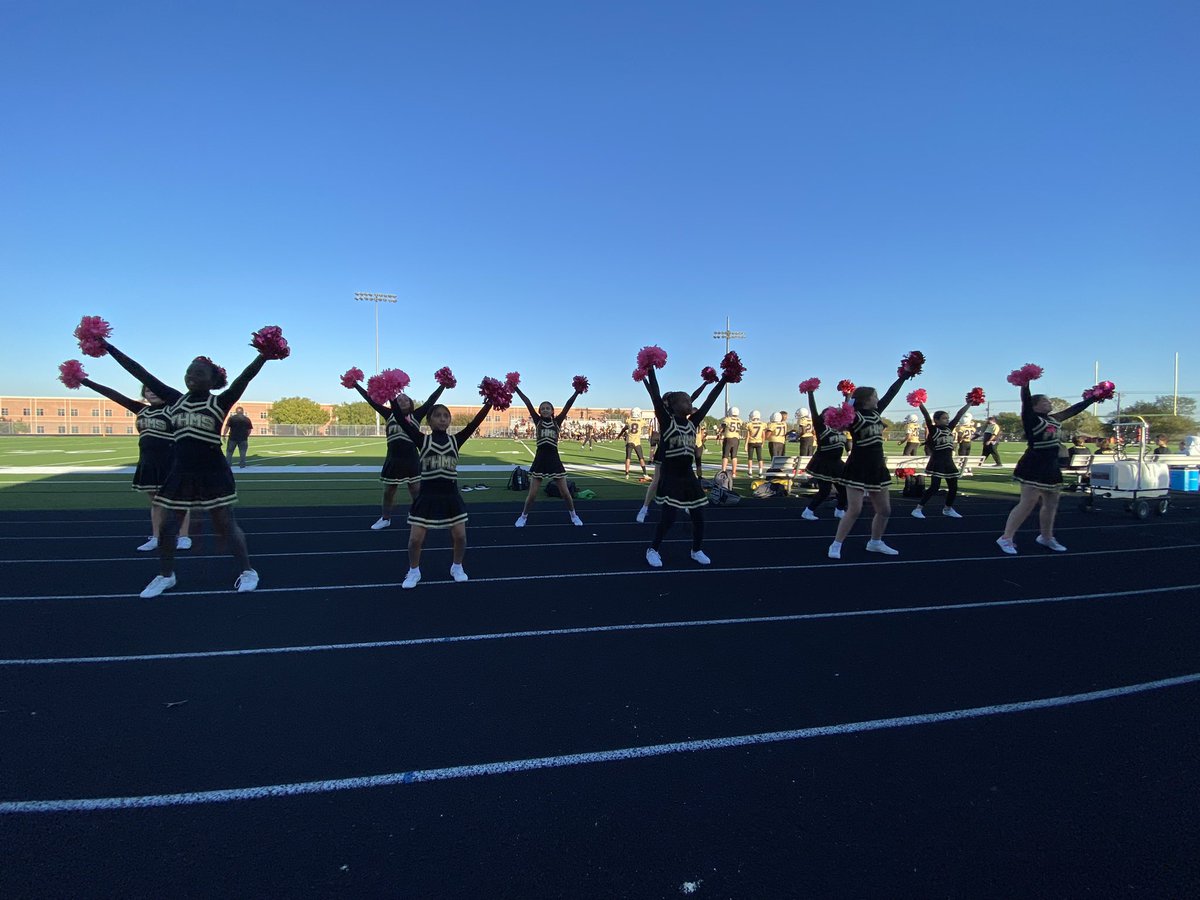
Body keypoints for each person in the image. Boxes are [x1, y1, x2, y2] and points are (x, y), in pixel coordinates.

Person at [100, 341, 281, 598]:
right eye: (188, 372)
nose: (191, 377)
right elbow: (139, 371)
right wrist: (107, 347)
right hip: (181, 471)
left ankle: (248, 571)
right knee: (167, 527)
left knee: (225, 523)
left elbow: (245, 377)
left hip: (212, 471)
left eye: (199, 374)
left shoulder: (220, 402)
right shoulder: (175, 399)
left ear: (212, 380)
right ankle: (166, 575)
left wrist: (263, 355)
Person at [74, 372, 192, 551]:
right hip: (148, 461)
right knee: (156, 501)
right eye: (147, 390)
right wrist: (85, 381)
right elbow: (114, 396)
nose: (151, 392)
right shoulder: (141, 410)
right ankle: (156, 537)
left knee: (178, 500)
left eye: (155, 389)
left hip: (171, 460)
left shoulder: (174, 408)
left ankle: (183, 536)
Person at [997, 379, 1106, 555]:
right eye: (1045, 401)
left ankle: (1046, 537)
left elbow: (1073, 410)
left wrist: (1093, 399)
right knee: (1028, 502)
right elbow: (1025, 400)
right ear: (1036, 406)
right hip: (1033, 463)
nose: (1050, 403)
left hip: (1051, 465)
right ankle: (1006, 538)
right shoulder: (1031, 418)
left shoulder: (1054, 419)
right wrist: (1025, 384)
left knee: (1052, 502)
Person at [397, 398, 494, 588]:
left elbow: (475, 422)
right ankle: (414, 570)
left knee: (460, 537)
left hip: (451, 496)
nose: (442, 419)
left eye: (446, 416)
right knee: (415, 539)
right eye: (437, 416)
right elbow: (402, 421)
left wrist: (490, 402)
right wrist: (392, 397)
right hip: (426, 497)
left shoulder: (455, 440)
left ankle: (457, 566)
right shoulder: (422, 440)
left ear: (449, 421)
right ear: (429, 421)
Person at [640, 365, 728, 567]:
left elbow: (709, 400)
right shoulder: (667, 422)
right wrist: (651, 367)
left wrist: (724, 379)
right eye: (686, 400)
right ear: (673, 405)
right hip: (671, 476)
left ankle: (696, 549)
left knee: (699, 516)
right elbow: (655, 394)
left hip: (688, 476)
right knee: (669, 518)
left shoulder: (693, 422)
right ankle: (652, 549)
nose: (690, 403)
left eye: (690, 400)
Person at [828, 369, 914, 560]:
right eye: (874, 395)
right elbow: (838, 421)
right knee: (855, 509)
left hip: (877, 466)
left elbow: (891, 393)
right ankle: (836, 544)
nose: (877, 398)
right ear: (866, 399)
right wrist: (848, 400)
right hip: (858, 466)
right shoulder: (854, 417)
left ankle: (875, 542)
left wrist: (903, 376)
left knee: (885, 510)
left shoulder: (876, 412)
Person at [351, 379, 447, 530]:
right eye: (399, 399)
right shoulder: (389, 414)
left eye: (405, 399)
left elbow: (431, 400)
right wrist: (356, 385)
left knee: (415, 490)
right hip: (393, 459)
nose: (402, 400)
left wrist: (443, 385)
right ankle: (385, 518)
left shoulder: (416, 415)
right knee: (389, 491)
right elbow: (370, 400)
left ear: (411, 403)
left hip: (411, 459)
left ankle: (419, 516)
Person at [512, 382, 585, 527]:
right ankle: (523, 517)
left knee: (565, 493)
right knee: (532, 495)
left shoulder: (557, 422)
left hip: (554, 460)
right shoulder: (537, 421)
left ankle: (574, 515)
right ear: (539, 411)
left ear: (552, 411)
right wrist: (515, 387)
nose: (545, 410)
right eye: (543, 408)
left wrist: (577, 392)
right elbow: (527, 402)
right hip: (540, 460)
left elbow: (568, 405)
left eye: (548, 408)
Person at [637, 381, 709, 523]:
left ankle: (688, 504)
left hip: (678, 449)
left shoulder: (679, 411)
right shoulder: (662, 412)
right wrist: (646, 378)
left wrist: (704, 384)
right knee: (657, 480)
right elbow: (653, 393)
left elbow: (693, 397)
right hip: (664, 449)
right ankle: (644, 507)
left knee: (686, 478)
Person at [912, 400, 971, 519]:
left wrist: (970, 403)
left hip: (949, 461)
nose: (947, 420)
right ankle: (918, 509)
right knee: (935, 487)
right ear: (937, 420)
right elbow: (926, 415)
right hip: (937, 461)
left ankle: (948, 508)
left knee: (954, 487)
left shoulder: (949, 428)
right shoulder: (933, 429)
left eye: (947, 418)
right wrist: (919, 403)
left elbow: (959, 414)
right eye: (944, 418)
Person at [799, 387, 847, 521]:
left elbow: (847, 411)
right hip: (823, 463)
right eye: (828, 414)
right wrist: (810, 393)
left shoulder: (840, 428)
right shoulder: (821, 428)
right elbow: (813, 410)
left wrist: (847, 395)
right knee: (825, 491)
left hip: (837, 464)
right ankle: (808, 511)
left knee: (844, 489)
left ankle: (839, 510)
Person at [617, 409, 650, 481]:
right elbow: (646, 423)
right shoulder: (641, 421)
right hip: (637, 442)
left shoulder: (629, 420)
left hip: (629, 441)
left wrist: (619, 435)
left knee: (628, 458)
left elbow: (624, 428)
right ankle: (645, 473)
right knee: (641, 458)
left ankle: (627, 474)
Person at [718, 406, 743, 478]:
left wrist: (720, 431)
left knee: (725, 456)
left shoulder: (727, 419)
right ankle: (734, 473)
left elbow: (723, 426)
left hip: (728, 438)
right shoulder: (740, 420)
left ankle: (723, 471)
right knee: (734, 456)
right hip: (736, 439)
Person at [745, 410, 766, 477]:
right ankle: (760, 472)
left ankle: (750, 472)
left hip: (751, 442)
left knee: (750, 458)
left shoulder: (749, 424)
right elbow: (763, 435)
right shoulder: (762, 424)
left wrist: (745, 445)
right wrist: (763, 443)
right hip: (759, 442)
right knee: (760, 458)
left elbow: (747, 436)